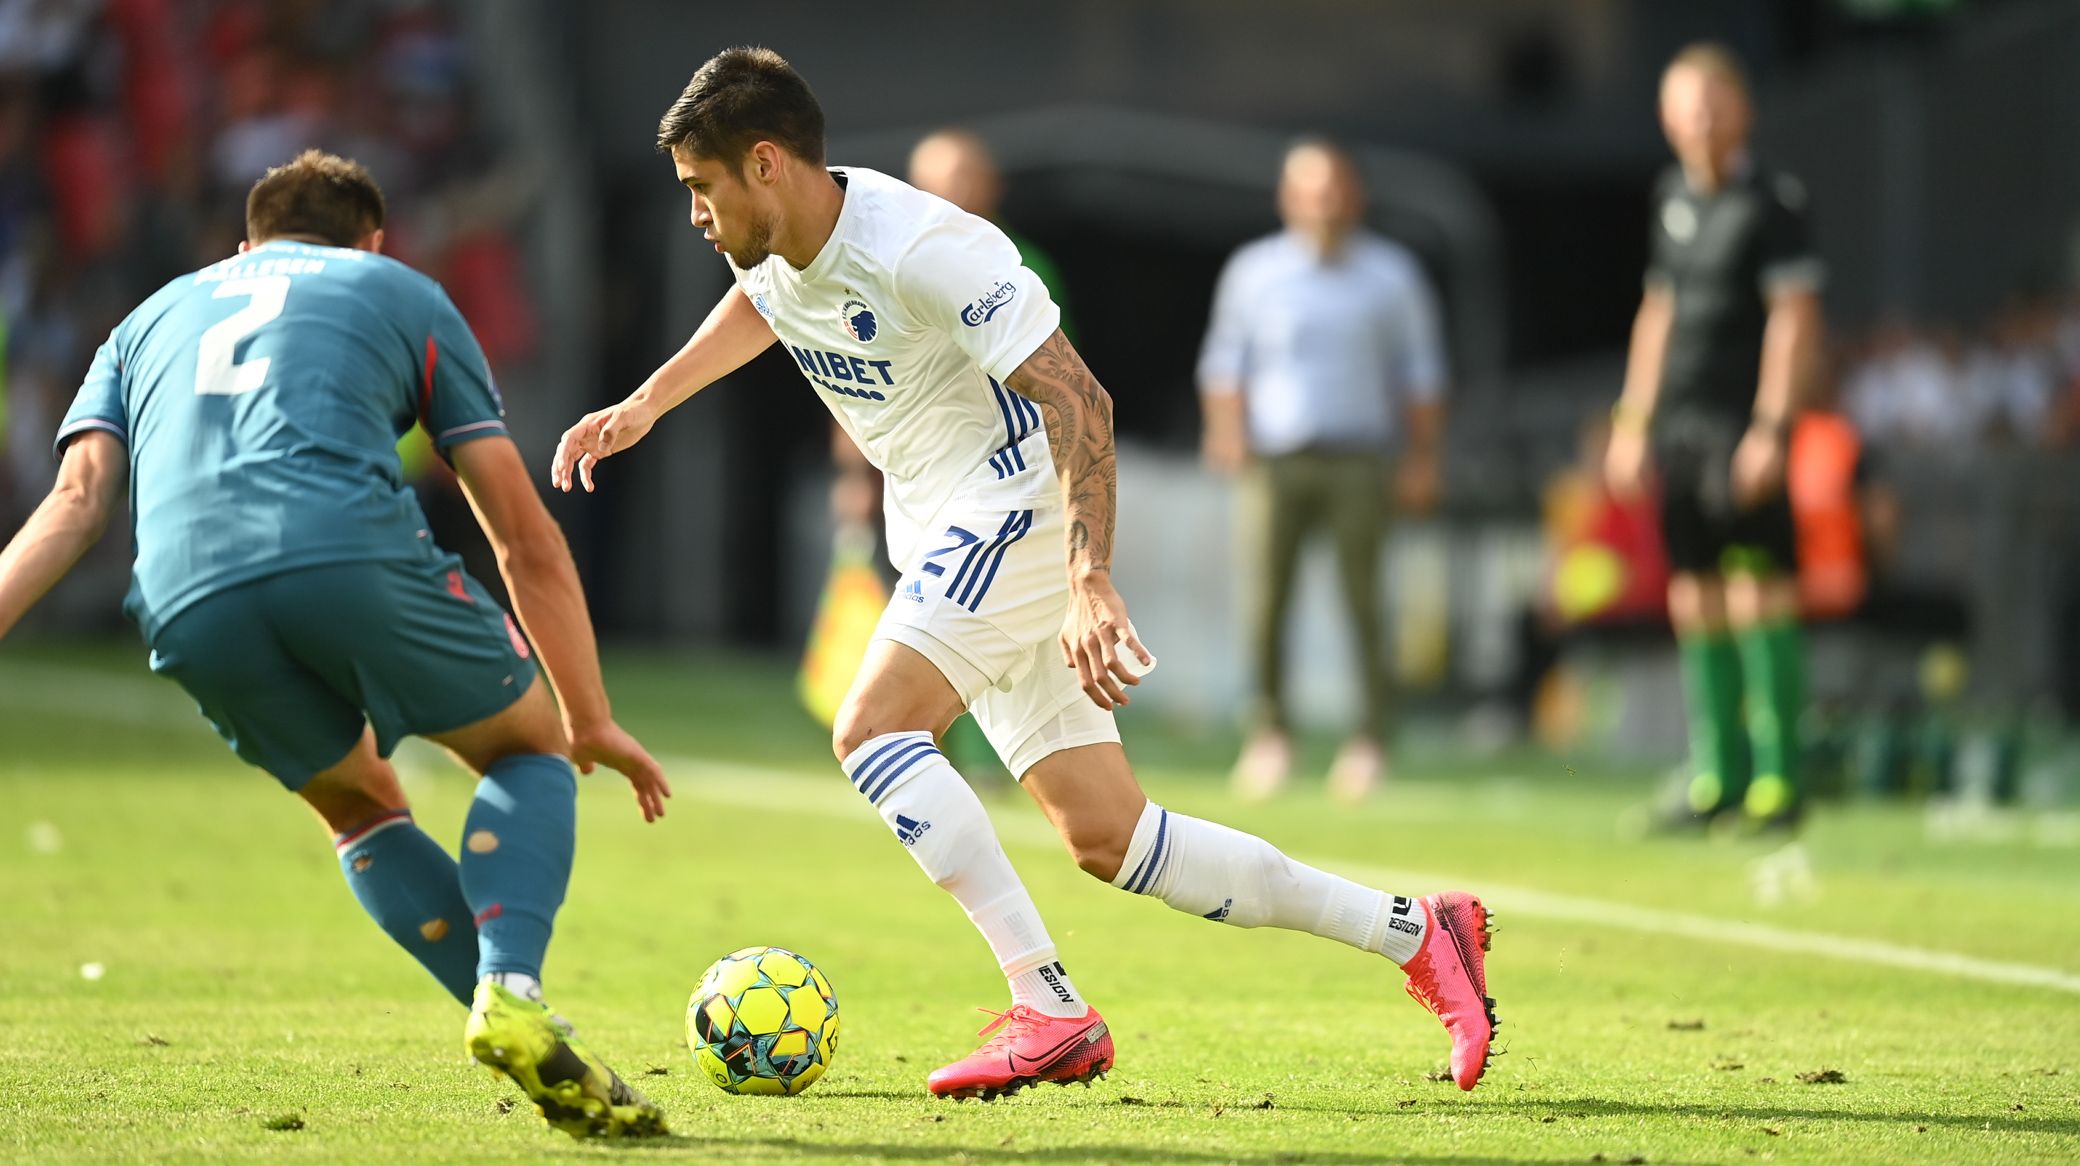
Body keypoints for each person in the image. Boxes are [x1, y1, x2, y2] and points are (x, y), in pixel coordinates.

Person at [552, 47, 1496, 1101]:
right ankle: (1419, 932)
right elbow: (763, 301)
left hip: (1011, 504)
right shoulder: (770, 240)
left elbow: (1080, 402)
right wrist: (646, 401)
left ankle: (1046, 1005)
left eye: (700, 188)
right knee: (1111, 836)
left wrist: (1091, 576)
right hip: (944, 525)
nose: (694, 214)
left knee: (871, 729)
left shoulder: (922, 245)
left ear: (765, 163)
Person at [0, 151, 671, 1139]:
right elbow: (518, 533)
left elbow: (74, 501)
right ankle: (510, 988)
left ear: (245, 247)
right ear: (369, 241)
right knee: (529, 746)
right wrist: (592, 717)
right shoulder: (397, 289)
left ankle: (516, 1016)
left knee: (359, 806)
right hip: (343, 547)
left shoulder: (147, 318)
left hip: (183, 593)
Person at [1605, 44, 1825, 832]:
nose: (1700, 119)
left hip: (1742, 423)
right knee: (1694, 593)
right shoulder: (1671, 197)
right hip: (1682, 427)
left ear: (1744, 112)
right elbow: (1657, 315)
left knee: (1759, 586)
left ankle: (1779, 780)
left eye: (1714, 104)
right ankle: (1716, 778)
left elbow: (1795, 320)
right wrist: (1633, 421)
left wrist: (1771, 427)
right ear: (1667, 118)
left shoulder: (1772, 201)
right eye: (1686, 105)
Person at [1197, 138, 1448, 804]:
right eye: (1310, 188)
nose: (1323, 201)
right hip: (1275, 459)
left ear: (1355, 195)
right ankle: (1269, 733)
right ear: (1288, 197)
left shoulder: (1391, 275)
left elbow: (1420, 375)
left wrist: (1423, 458)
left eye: (1334, 187)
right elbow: (1226, 363)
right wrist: (1226, 431)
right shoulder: (1254, 271)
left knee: (1364, 603)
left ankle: (1371, 738)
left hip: (1361, 458)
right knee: (1264, 603)